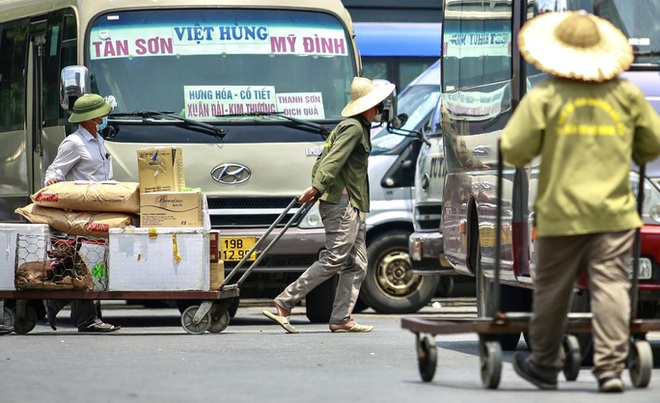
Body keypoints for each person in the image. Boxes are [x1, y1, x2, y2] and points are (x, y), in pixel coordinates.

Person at [501, 11, 660, 393]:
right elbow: (651, 145)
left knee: (553, 289)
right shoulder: (626, 95)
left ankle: (544, 363)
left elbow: (514, 149)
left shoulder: (547, 95)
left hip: (561, 214)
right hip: (615, 213)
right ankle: (609, 370)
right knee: (610, 288)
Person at [262, 77, 395, 333]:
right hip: (342, 205)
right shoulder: (353, 128)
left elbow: (325, 159)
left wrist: (318, 186)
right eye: (377, 104)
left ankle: (341, 318)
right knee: (335, 258)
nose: (380, 108)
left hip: (352, 204)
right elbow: (331, 161)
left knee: (357, 264)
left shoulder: (355, 127)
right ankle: (284, 302)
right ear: (367, 106)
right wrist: (318, 187)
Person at [44, 93, 121, 333]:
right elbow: (53, 171)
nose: (106, 117)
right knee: (89, 263)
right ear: (93, 117)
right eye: (102, 113)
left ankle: (66, 305)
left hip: (98, 212)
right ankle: (84, 317)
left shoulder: (97, 140)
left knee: (94, 263)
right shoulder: (74, 143)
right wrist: (54, 182)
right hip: (80, 216)